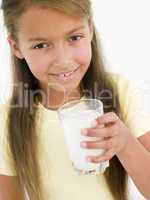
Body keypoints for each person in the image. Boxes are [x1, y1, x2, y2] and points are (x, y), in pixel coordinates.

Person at [0, 0, 150, 200]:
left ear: (90, 29)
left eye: (74, 37)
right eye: (41, 45)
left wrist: (126, 144)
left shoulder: (119, 91)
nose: (63, 60)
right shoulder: (8, 120)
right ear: (16, 46)